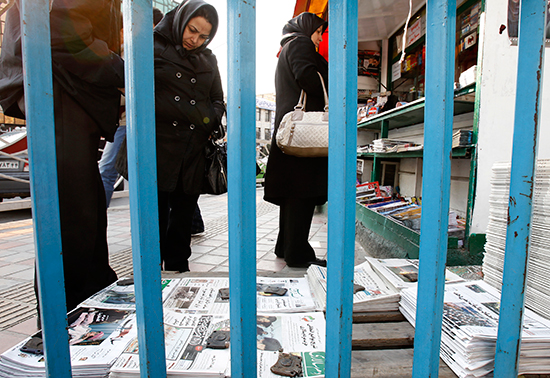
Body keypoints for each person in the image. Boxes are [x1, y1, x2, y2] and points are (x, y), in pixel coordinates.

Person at [0, 0, 123, 314]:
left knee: (87, 209)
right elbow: (60, 30)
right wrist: (117, 65)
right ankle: (64, 322)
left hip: (69, 92)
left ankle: (87, 305)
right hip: (60, 91)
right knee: (72, 216)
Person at [153, 0, 225, 272]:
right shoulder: (153, 45)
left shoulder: (208, 58)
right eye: (192, 30)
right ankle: (151, 269)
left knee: (183, 215)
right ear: (181, 21)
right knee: (155, 214)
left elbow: (217, 98)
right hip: (159, 144)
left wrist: (208, 120)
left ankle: (178, 268)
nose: (195, 40)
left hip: (193, 147)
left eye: (204, 36)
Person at [263, 12, 328, 268]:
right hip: (305, 133)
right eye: (319, 32)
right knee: (303, 193)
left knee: (293, 194)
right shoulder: (301, 43)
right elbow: (309, 79)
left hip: (291, 132)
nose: (320, 37)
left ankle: (285, 245)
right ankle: (298, 253)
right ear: (307, 28)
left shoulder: (286, 48)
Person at [99, 7, 164, 208]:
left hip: (130, 120)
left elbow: (142, 89)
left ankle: (98, 221)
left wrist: (123, 85)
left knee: (108, 170)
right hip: (124, 119)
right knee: (143, 173)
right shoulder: (130, 47)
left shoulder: (147, 50)